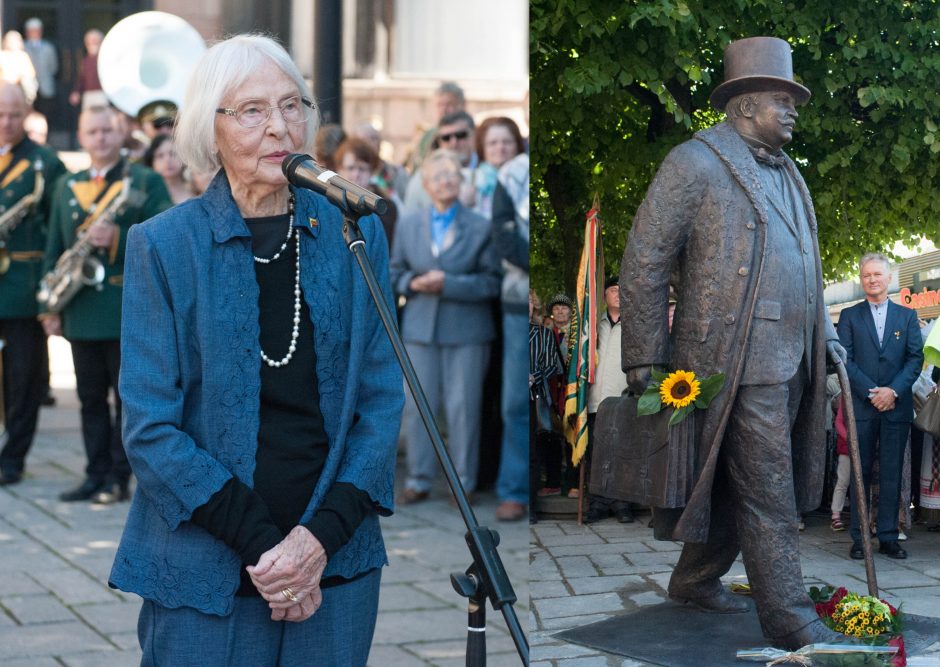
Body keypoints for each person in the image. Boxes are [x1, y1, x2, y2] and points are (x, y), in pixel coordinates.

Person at [108, 35, 403, 665]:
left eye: (291, 105)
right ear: (209, 130)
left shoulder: (353, 233)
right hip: (206, 566)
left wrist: (317, 541)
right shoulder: (163, 245)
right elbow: (149, 427)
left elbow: (381, 398)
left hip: (336, 560)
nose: (279, 126)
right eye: (251, 111)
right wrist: (270, 549)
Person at [620, 37, 848, 649]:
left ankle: (695, 579)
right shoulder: (694, 162)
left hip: (792, 354)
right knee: (769, 486)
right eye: (783, 98)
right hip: (733, 357)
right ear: (745, 106)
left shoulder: (792, 175)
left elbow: (810, 268)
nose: (795, 109)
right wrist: (645, 353)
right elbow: (645, 258)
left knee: (735, 475)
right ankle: (788, 615)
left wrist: (826, 334)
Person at [42, 105, 172, 504]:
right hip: (80, 309)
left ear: (120, 135)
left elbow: (164, 230)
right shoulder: (68, 184)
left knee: (125, 400)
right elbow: (55, 245)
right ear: (81, 138)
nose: (100, 138)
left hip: (123, 307)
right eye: (92, 132)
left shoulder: (145, 180)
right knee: (89, 399)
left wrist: (118, 237)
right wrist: (48, 304)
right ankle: (94, 473)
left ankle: (120, 477)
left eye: (106, 131)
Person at [390, 148, 500, 505]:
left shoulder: (481, 226)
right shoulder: (408, 224)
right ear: (425, 184)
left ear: (461, 181)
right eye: (438, 176)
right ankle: (419, 480)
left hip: (467, 332)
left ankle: (463, 482)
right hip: (420, 329)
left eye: (452, 175)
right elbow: (393, 273)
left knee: (463, 408)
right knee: (418, 407)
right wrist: (413, 283)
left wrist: (448, 283)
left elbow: (490, 283)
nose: (445, 182)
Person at [0, 82, 67, 485]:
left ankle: (12, 459)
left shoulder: (46, 162)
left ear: (25, 113)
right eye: (0, 114)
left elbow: (59, 229)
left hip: (23, 288)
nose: (6, 122)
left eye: (13, 114)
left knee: (24, 379)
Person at [837, 253, 923, 560]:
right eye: (866, 275)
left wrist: (894, 392)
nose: (871, 279)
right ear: (862, 280)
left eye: (877, 274)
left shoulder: (907, 316)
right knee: (858, 474)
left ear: (889, 279)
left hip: (895, 407)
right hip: (862, 406)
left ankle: (888, 536)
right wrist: (872, 392)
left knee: (891, 473)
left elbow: (915, 359)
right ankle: (860, 537)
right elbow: (844, 359)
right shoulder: (849, 316)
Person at [492, 153, 529, 521]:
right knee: (515, 402)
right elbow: (503, 232)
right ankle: (514, 490)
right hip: (518, 301)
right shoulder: (512, 172)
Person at [584, 276, 633, 524]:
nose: (617, 294)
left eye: (621, 290)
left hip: (622, 399)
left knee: (621, 453)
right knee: (595, 454)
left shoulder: (635, 326)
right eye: (613, 290)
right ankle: (598, 503)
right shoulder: (592, 326)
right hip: (594, 400)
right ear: (604, 295)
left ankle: (622, 503)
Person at [529, 290, 563, 525]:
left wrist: (534, 376)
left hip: (533, 396)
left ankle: (530, 508)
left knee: (531, 454)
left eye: (529, 300)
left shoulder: (544, 334)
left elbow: (555, 365)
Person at [403, 111, 477, 214]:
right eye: (446, 138)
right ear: (439, 142)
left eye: (460, 135)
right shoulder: (422, 177)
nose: (453, 142)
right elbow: (411, 220)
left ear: (473, 135)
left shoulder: (489, 169)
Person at [334, 137, 398, 248]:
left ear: (372, 172)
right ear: (339, 170)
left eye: (362, 169)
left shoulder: (386, 207)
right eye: (350, 168)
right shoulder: (330, 202)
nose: (356, 175)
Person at [470, 116, 525, 218]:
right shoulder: (470, 181)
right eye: (492, 143)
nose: (500, 148)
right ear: (482, 148)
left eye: (507, 142)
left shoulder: (528, 181)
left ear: (518, 146)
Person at [143, 134, 192, 205]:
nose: (167, 160)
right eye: (160, 156)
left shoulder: (197, 190)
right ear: (152, 162)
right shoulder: (148, 197)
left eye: (172, 154)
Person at [22, 19, 56, 120]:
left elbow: (53, 67)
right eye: (31, 31)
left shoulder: (48, 48)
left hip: (45, 86)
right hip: (28, 88)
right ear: (27, 32)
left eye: (36, 30)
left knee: (46, 113)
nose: (34, 33)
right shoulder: (22, 47)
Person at [69, 29, 105, 109]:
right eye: (90, 42)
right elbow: (81, 78)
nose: (92, 44)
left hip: (102, 94)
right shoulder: (85, 61)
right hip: (88, 95)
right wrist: (76, 92)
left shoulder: (105, 59)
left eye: (95, 41)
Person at [0, 31, 37, 104]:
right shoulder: (2, 55)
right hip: (3, 90)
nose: (13, 43)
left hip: (19, 90)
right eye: (10, 41)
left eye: (15, 41)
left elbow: (31, 73)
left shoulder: (23, 56)